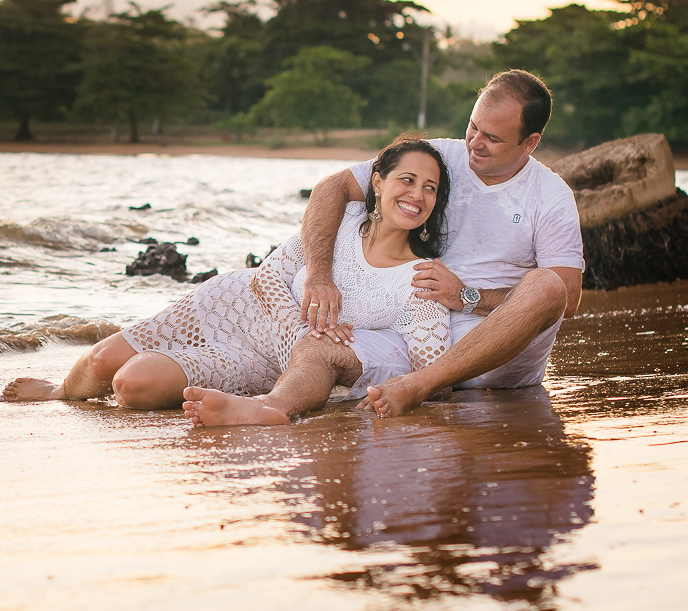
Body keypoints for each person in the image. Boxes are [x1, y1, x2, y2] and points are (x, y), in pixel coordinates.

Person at [183, 69, 584, 427]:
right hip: (410, 338)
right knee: (321, 346)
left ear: (530, 143)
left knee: (547, 284)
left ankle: (422, 386)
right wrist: (320, 277)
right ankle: (270, 408)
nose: (474, 144)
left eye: (492, 138)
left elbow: (564, 299)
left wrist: (465, 296)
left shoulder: (550, 196)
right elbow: (333, 188)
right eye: (473, 127)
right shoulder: (442, 156)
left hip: (492, 357)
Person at [0, 138, 452, 409]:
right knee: (100, 361)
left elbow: (430, 368)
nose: (417, 195)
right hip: (230, 304)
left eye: (430, 188)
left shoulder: (420, 279)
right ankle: (63, 390)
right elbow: (267, 276)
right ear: (378, 182)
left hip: (262, 361)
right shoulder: (345, 221)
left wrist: (333, 357)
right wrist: (303, 330)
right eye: (407, 180)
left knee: (131, 385)